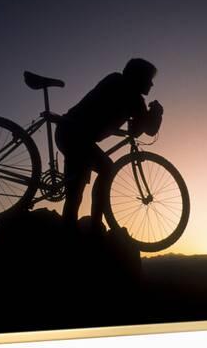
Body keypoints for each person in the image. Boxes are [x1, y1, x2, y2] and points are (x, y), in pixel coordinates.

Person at [55, 58, 164, 228]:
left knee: (77, 187)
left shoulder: (117, 81)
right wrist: (157, 113)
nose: (151, 84)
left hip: (70, 132)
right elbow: (146, 130)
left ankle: (81, 228)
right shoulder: (130, 93)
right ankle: (93, 227)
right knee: (104, 170)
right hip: (75, 134)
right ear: (139, 77)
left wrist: (150, 115)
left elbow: (137, 130)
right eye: (149, 79)